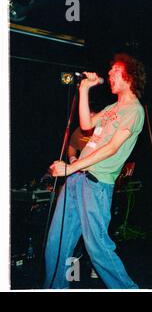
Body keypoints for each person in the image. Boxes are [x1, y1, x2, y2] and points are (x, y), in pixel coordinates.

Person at [44, 53, 146, 289]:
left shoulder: (134, 111)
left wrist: (71, 167)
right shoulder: (112, 107)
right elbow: (86, 126)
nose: (109, 74)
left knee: (97, 249)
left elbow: (111, 148)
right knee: (56, 244)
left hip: (96, 184)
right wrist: (84, 90)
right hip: (76, 180)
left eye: (114, 71)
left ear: (128, 76)